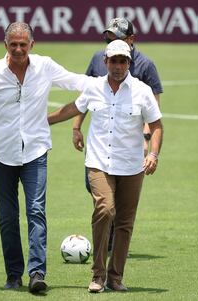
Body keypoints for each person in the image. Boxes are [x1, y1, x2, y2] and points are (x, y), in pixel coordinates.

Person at [0, 22, 87, 294]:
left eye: (24, 44)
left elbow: (76, 81)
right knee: (8, 216)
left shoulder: (44, 66)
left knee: (36, 210)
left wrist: (106, 82)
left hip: (35, 151)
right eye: (14, 44)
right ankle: (13, 274)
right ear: (5, 45)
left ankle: (37, 273)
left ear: (32, 44)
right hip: (2, 153)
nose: (19, 49)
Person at [48, 40, 163, 292]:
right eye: (114, 61)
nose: (118, 66)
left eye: (123, 61)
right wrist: (44, 121)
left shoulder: (142, 91)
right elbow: (72, 109)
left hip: (132, 165)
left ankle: (115, 278)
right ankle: (98, 275)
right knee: (105, 208)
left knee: (124, 222)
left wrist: (153, 154)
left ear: (129, 63)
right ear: (105, 62)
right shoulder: (93, 87)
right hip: (99, 162)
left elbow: (156, 125)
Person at [73, 18, 163, 251]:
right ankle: (107, 233)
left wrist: (146, 141)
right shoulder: (97, 59)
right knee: (94, 189)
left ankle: (110, 244)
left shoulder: (145, 66)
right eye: (108, 38)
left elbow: (153, 108)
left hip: (130, 142)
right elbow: (85, 95)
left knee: (114, 204)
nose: (111, 42)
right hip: (100, 143)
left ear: (131, 40)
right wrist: (76, 127)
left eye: (117, 38)